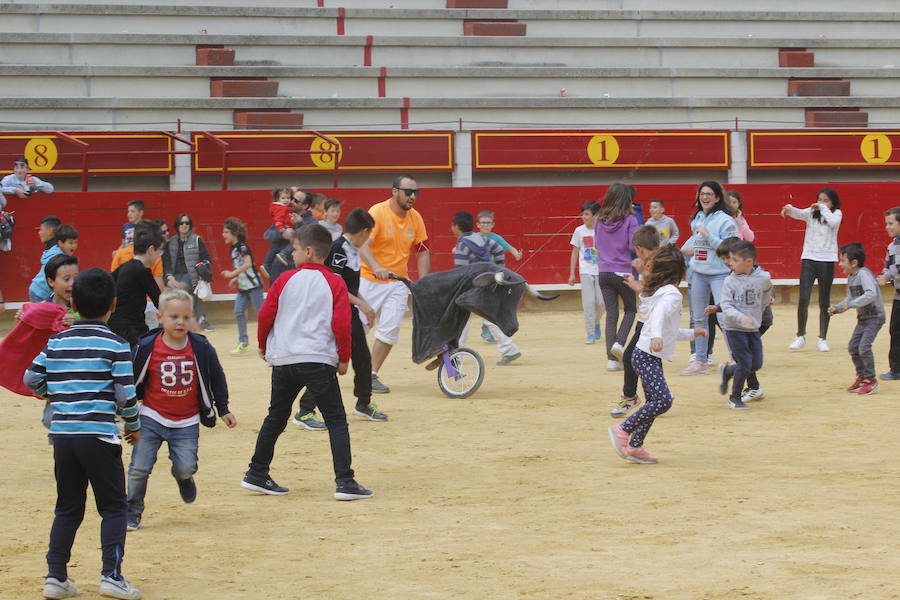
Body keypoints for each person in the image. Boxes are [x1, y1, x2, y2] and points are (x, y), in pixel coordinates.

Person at [24, 267, 142, 600]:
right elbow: (125, 397)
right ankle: (111, 575)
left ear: (73, 302)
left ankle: (56, 577)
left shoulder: (57, 342)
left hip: (63, 437)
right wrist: (132, 426)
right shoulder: (115, 345)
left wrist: (57, 394)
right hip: (99, 437)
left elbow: (31, 379)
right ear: (113, 304)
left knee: (67, 508)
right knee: (115, 507)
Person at [242, 224, 372, 500]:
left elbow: (266, 315)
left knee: (275, 416)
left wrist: (264, 345)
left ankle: (256, 472)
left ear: (309, 252)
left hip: (285, 358)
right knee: (336, 419)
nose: (291, 253)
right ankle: (345, 482)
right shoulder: (335, 281)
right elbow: (341, 323)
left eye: (296, 249)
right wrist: (344, 357)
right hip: (317, 359)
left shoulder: (284, 279)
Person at [126, 288, 236, 532]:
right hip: (152, 417)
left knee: (186, 466)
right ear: (160, 317)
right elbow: (132, 381)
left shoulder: (201, 347)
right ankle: (132, 510)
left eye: (186, 317)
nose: (180, 322)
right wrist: (127, 414)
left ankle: (183, 478)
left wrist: (223, 408)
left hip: (186, 421)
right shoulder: (146, 346)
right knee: (139, 468)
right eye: (174, 317)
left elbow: (217, 376)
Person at [608, 244, 705, 464]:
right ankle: (623, 429)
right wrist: (656, 337)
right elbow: (660, 319)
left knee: (654, 401)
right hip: (647, 354)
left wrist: (692, 333)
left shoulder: (660, 292)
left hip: (646, 354)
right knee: (663, 401)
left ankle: (635, 446)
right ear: (678, 272)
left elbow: (668, 331)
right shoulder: (671, 294)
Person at [293, 208, 386, 430]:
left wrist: (365, 304)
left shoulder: (351, 249)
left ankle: (363, 402)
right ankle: (305, 411)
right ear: (364, 231)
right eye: (370, 233)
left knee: (362, 358)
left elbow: (349, 284)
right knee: (330, 363)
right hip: (335, 312)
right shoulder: (339, 249)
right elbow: (336, 287)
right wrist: (362, 304)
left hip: (347, 311)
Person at [358, 174, 429, 393]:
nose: (413, 197)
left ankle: (370, 375)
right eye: (408, 192)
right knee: (358, 328)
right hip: (369, 279)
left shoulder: (415, 218)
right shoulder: (377, 212)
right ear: (394, 191)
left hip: (398, 281)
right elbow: (362, 245)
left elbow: (423, 251)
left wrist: (423, 283)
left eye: (416, 193)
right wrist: (376, 266)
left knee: (390, 330)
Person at [680, 180, 738, 376]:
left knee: (725, 317)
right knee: (698, 318)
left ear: (717, 197)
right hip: (699, 273)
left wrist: (708, 235)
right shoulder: (697, 218)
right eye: (702, 194)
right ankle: (700, 360)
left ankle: (736, 359)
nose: (704, 197)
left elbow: (730, 248)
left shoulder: (726, 221)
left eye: (709, 194)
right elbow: (695, 240)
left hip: (720, 274)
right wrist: (683, 250)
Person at [452, 210, 522, 365]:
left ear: (457, 227)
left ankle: (457, 357)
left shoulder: (462, 245)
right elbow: (498, 250)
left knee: (462, 320)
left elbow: (460, 272)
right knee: (489, 317)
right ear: (474, 225)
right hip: (486, 283)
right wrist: (498, 271)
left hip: (470, 288)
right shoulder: (481, 239)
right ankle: (510, 349)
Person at [781, 188, 842, 352]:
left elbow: (833, 222)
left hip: (827, 260)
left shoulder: (836, 214)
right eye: (820, 199)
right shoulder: (812, 212)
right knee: (804, 298)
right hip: (809, 258)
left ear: (833, 203)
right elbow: (799, 213)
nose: (822, 203)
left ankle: (823, 338)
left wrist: (822, 208)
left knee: (824, 301)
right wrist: (789, 208)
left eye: (826, 200)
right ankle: (800, 335)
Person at [714, 240, 772, 410]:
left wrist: (762, 307)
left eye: (734, 260)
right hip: (733, 328)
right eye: (730, 259)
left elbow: (768, 290)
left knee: (756, 364)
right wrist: (740, 317)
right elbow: (725, 305)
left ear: (748, 262)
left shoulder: (763, 277)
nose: (730, 263)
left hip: (752, 327)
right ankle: (735, 397)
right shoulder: (729, 281)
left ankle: (727, 371)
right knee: (745, 362)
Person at [610, 224, 659, 418]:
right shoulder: (658, 261)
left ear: (639, 248)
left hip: (650, 320)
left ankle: (631, 396)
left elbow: (650, 292)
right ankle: (657, 396)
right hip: (649, 319)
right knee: (652, 359)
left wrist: (636, 281)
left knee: (631, 357)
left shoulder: (652, 264)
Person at [828, 243, 884, 396]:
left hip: (875, 317)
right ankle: (862, 377)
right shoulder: (852, 277)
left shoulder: (864, 274)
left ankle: (871, 380)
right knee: (853, 347)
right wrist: (838, 308)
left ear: (854, 263)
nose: (840, 264)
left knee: (864, 347)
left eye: (842, 260)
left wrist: (850, 304)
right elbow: (850, 298)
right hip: (863, 318)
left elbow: (871, 294)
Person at [595, 182, 640, 371]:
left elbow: (597, 244)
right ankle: (619, 343)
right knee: (630, 309)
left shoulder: (599, 218)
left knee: (611, 313)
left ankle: (611, 360)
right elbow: (632, 246)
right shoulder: (630, 219)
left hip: (603, 271)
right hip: (623, 270)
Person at [109, 222, 163, 346]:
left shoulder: (124, 267)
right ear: (150, 250)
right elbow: (160, 302)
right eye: (158, 250)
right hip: (132, 330)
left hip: (113, 327)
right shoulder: (143, 271)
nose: (159, 254)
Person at [475, 209, 521, 343]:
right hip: (479, 276)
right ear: (478, 224)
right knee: (488, 303)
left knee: (490, 303)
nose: (485, 225)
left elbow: (508, 247)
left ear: (493, 224)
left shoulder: (496, 238)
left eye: (488, 223)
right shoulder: (474, 238)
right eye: (483, 223)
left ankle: (486, 329)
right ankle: (488, 329)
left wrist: (516, 254)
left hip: (494, 276)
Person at [163, 213, 213, 332]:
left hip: (192, 275)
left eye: (187, 223)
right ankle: (198, 321)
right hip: (175, 276)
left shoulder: (196, 239)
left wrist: (201, 270)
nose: (184, 225)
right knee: (193, 297)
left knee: (183, 291)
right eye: (181, 223)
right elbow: (167, 261)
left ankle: (184, 320)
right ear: (177, 225)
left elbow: (206, 258)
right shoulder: (171, 241)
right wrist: (169, 277)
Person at [220, 217, 264, 355]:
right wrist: (236, 278)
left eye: (226, 232)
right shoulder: (234, 248)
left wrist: (232, 274)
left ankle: (270, 340)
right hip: (243, 286)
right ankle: (243, 342)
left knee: (262, 315)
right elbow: (243, 266)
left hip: (254, 286)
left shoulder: (242, 246)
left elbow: (248, 263)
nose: (223, 235)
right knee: (238, 312)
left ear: (234, 233)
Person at [568, 201, 604, 344]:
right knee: (589, 304)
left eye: (587, 214)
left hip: (602, 271)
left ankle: (596, 323)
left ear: (596, 215)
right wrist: (572, 273)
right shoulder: (579, 231)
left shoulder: (603, 229)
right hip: (586, 271)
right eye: (583, 214)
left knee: (601, 303)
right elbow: (574, 252)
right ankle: (590, 333)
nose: (584, 217)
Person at [877, 207, 900, 381]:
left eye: (891, 223)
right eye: (887, 224)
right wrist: (883, 275)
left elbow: (896, 269)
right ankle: (896, 369)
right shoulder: (891, 246)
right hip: (898, 296)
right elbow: (888, 267)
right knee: (895, 330)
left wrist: (886, 276)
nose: (887, 227)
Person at [28, 221, 77, 302]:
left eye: (75, 242)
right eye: (70, 243)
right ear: (61, 243)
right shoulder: (57, 257)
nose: (74, 246)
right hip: (41, 292)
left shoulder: (54, 250)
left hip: (38, 289)